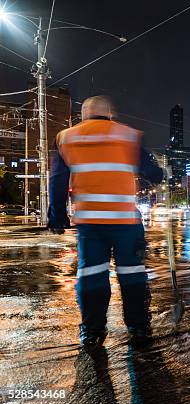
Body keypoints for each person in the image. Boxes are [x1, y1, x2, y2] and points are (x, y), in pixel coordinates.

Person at [48, 96, 163, 346]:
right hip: (126, 223)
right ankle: (139, 327)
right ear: (110, 115)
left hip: (90, 224)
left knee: (92, 275)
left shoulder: (67, 138)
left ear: (83, 115)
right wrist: (158, 176)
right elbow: (153, 171)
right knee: (132, 274)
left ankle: (92, 331)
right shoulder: (127, 135)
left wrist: (57, 216)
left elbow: (57, 180)